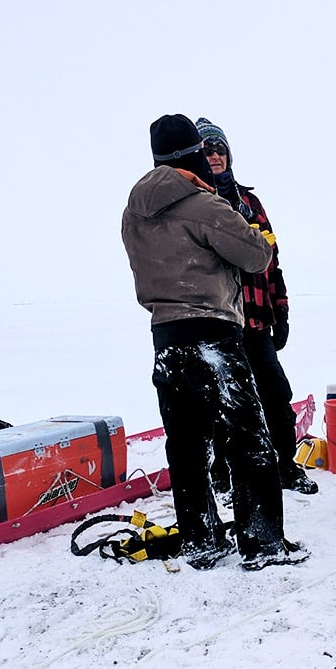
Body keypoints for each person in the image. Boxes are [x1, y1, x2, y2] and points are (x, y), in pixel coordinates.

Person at [120, 114, 307, 570]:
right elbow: (256, 254)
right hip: (214, 335)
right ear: (192, 155)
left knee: (186, 445)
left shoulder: (134, 210)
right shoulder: (202, 205)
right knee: (249, 440)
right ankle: (263, 543)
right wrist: (250, 228)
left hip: (165, 338)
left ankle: (201, 540)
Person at [194, 117, 320, 496]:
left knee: (277, 395)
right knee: (221, 406)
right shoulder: (198, 205)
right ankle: (223, 474)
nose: (215, 156)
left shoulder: (250, 203)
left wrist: (280, 312)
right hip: (219, 325)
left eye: (220, 149)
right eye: (207, 150)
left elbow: (272, 262)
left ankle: (286, 466)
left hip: (256, 323)